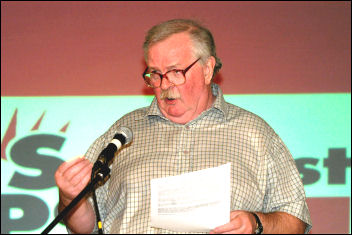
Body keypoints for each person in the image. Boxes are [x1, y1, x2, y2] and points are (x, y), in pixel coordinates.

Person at [55, 19, 312, 234]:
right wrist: (69, 196)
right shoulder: (124, 132)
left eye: (176, 71)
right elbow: (84, 227)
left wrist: (256, 223)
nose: (165, 85)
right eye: (155, 74)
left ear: (208, 69)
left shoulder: (255, 133)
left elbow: (295, 220)